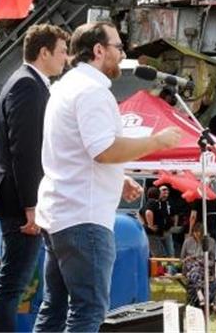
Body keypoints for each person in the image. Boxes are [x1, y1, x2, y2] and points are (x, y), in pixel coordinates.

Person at [33, 21, 181, 331]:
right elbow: (102, 150)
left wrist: (118, 175)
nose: (122, 54)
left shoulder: (65, 86)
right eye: (118, 47)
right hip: (83, 218)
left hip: (60, 212)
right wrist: (157, 141)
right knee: (88, 312)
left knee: (54, 309)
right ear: (99, 50)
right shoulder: (92, 91)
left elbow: (78, 150)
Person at [0, 24, 69, 333]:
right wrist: (32, 206)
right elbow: (25, 150)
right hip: (19, 202)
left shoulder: (26, 82)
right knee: (12, 283)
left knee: (11, 281)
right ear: (43, 52)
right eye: (61, 52)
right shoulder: (28, 86)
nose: (66, 58)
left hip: (16, 198)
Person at [181, 221, 216, 310]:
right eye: (195, 232)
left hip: (203, 267)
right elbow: (182, 258)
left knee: (196, 271)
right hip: (190, 266)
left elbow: (214, 261)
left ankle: (198, 294)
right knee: (194, 269)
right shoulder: (188, 241)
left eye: (199, 233)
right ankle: (199, 293)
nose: (197, 235)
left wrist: (204, 262)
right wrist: (187, 259)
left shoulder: (210, 242)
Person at [141, 186, 168, 256]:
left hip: (151, 233)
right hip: (152, 234)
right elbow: (148, 212)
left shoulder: (147, 203)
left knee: (156, 253)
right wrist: (150, 225)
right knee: (159, 255)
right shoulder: (153, 202)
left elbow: (140, 212)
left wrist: (144, 223)